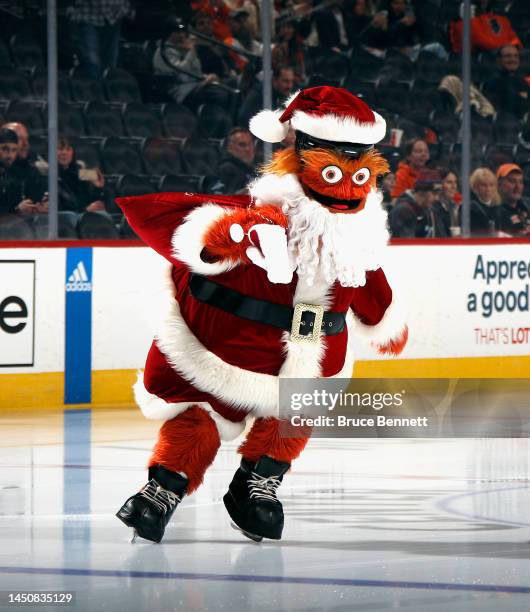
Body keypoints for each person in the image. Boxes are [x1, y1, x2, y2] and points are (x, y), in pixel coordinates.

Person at [115, 86, 407, 544]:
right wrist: (234, 237)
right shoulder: (256, 218)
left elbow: (368, 279)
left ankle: (256, 486)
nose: (347, 188)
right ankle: (163, 488)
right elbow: (200, 239)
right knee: (201, 419)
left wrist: (383, 318)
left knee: (289, 423)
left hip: (309, 358)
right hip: (230, 350)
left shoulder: (356, 237)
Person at [152, 19, 229, 109]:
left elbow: (196, 70)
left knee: (230, 84)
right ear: (169, 33)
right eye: (177, 32)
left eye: (182, 32)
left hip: (194, 85)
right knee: (221, 95)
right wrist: (191, 51)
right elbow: (183, 76)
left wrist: (207, 77)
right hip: (180, 91)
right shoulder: (164, 51)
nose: (181, 35)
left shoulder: (183, 47)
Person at [67, 0, 133, 79]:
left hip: (115, 15)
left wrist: (125, 8)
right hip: (88, 15)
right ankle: (92, 87)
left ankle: (106, 87)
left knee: (110, 65)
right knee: (92, 62)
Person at [2, 121, 47, 204]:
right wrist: (17, 210)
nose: (26, 144)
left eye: (26, 139)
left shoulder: (31, 169)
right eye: (20, 139)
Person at [483, 45, 530, 118]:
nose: (513, 59)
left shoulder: (522, 80)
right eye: (508, 56)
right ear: (499, 60)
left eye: (516, 56)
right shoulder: (493, 81)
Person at [216, 127, 256, 194]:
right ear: (230, 148)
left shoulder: (253, 169)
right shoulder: (226, 169)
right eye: (242, 145)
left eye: (251, 144)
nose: (248, 149)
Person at [496, 163, 530, 236]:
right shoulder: (494, 213)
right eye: (512, 181)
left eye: (520, 182)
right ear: (499, 185)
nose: (518, 186)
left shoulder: (526, 206)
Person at [468, 167, 500, 236]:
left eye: (491, 185)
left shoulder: (499, 208)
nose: (488, 189)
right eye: (484, 185)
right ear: (475, 187)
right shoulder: (471, 209)